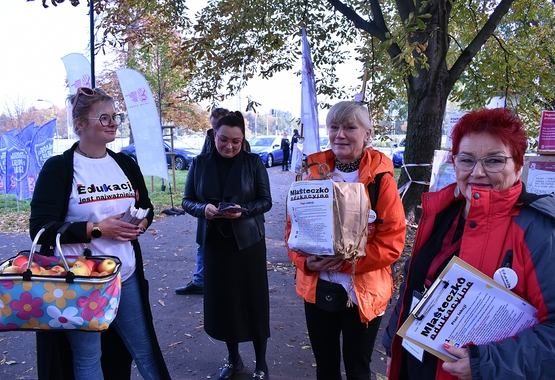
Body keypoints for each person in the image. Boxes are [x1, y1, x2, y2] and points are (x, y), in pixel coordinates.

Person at [382, 107, 555, 380]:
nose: (477, 172)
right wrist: (393, 340)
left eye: (494, 161)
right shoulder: (441, 211)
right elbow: (414, 284)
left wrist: (485, 363)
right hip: (414, 365)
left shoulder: (539, 230)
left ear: (518, 165)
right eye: (467, 160)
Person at [29, 87, 170, 380]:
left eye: (114, 117)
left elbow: (146, 207)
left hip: (125, 275)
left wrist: (139, 225)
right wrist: (97, 229)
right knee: (87, 357)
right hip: (80, 282)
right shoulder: (59, 169)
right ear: (80, 124)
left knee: (144, 349)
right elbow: (40, 230)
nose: (112, 123)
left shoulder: (125, 164)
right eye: (103, 117)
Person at [285, 101, 406, 380]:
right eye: (334, 127)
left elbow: (392, 243)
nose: (340, 134)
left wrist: (345, 264)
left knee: (357, 369)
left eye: (350, 127)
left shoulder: (380, 180)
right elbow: (293, 232)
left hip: (363, 294)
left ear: (367, 133)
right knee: (326, 368)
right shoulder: (313, 173)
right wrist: (306, 262)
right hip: (317, 290)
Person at [182, 111, 272, 380]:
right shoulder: (199, 163)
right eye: (223, 140)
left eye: (236, 141)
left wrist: (243, 210)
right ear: (214, 135)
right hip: (215, 246)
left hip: (248, 245)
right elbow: (187, 201)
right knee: (225, 305)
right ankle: (233, 360)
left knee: (253, 302)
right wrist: (203, 209)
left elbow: (266, 201)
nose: (229, 146)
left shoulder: (253, 162)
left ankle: (261, 363)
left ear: (243, 139)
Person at [176, 107, 230, 295]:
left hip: (231, 209)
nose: (217, 134)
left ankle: (223, 283)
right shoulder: (209, 140)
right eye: (213, 128)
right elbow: (201, 166)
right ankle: (200, 281)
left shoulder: (238, 144)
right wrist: (202, 204)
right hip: (208, 206)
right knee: (203, 245)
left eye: (219, 128)